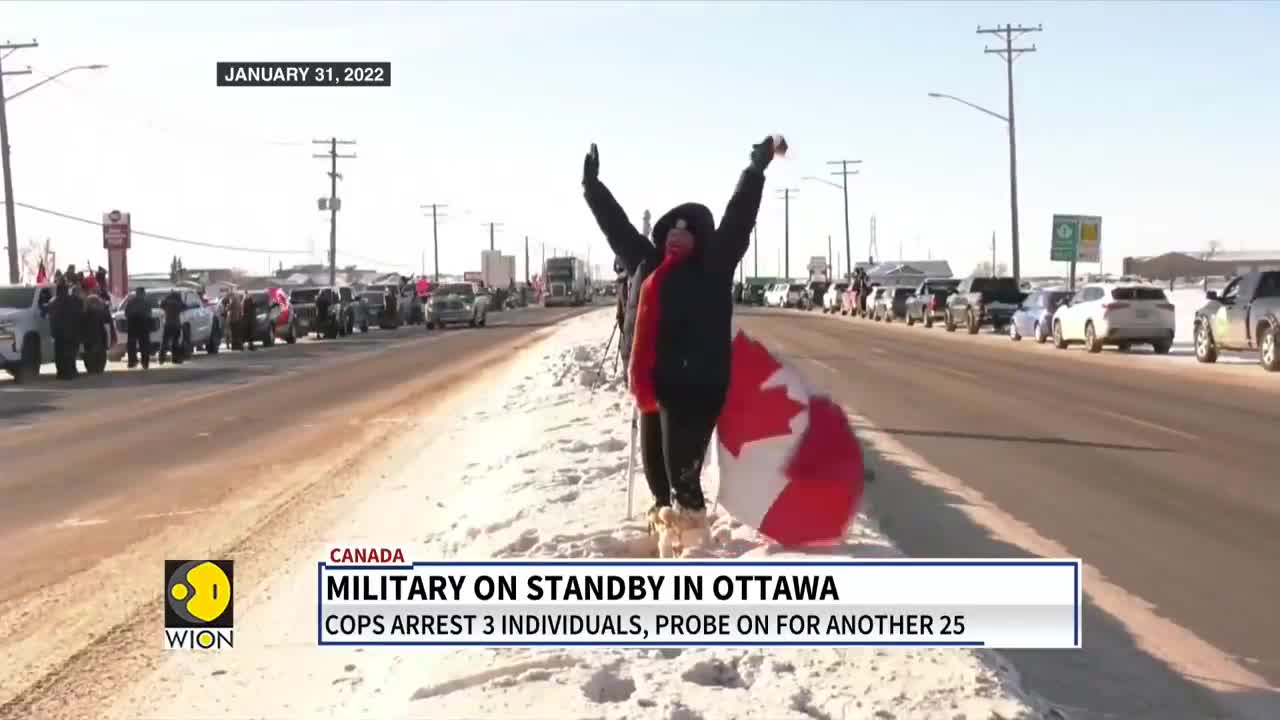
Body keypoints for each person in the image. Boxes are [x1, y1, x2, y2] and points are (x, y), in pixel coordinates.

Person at [582, 136, 777, 555]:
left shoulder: (714, 265)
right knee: (656, 472)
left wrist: (755, 171)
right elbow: (615, 225)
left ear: (700, 239)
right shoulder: (645, 261)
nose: (677, 234)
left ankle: (693, 548)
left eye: (687, 231)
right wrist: (592, 187)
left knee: (681, 473)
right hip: (652, 386)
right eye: (672, 228)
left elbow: (738, 218)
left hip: (695, 387)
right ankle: (666, 533)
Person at [80, 291, 111, 373]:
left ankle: (91, 369)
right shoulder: (102, 313)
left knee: (89, 357)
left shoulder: (83, 314)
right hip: (98, 341)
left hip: (88, 341)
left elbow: (82, 328)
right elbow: (105, 330)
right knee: (99, 358)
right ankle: (97, 368)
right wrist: (106, 342)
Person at [124, 287, 153, 369]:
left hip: (134, 326)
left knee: (133, 345)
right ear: (143, 294)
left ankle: (133, 362)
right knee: (143, 345)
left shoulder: (131, 302)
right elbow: (149, 314)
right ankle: (143, 362)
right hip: (142, 326)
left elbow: (127, 313)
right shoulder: (146, 303)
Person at [159, 289, 185, 364]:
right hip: (176, 324)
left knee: (164, 342)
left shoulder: (166, 302)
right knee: (175, 342)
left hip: (167, 324)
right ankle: (175, 358)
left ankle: (161, 358)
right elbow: (184, 307)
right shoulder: (178, 303)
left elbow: (161, 305)